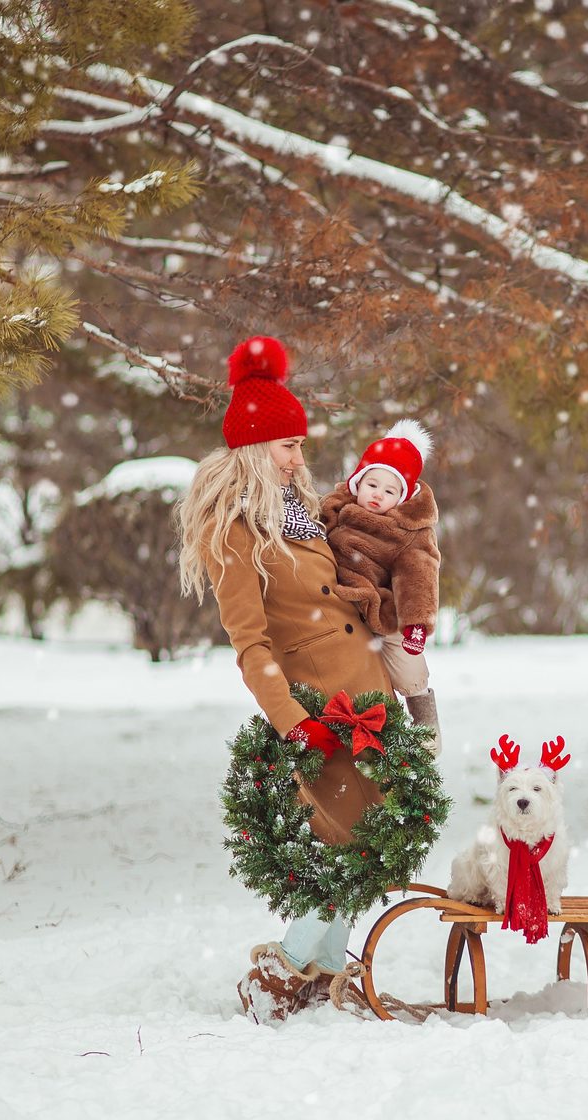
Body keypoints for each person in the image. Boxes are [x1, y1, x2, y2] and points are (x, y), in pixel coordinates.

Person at [176, 335, 396, 1023]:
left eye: (300, 445)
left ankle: (328, 970)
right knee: (349, 841)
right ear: (253, 449)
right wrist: (290, 720)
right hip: (318, 711)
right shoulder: (234, 531)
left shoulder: (299, 518)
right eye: (288, 446)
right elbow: (250, 643)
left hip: (368, 697)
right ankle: (283, 967)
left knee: (366, 839)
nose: (302, 457)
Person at [318, 420, 443, 752]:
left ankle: (423, 721)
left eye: (390, 491)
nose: (377, 495)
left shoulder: (404, 532)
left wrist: (416, 623)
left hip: (382, 609)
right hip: (337, 602)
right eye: (371, 484)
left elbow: (418, 578)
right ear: (357, 482)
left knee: (407, 666)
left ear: (402, 498)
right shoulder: (334, 510)